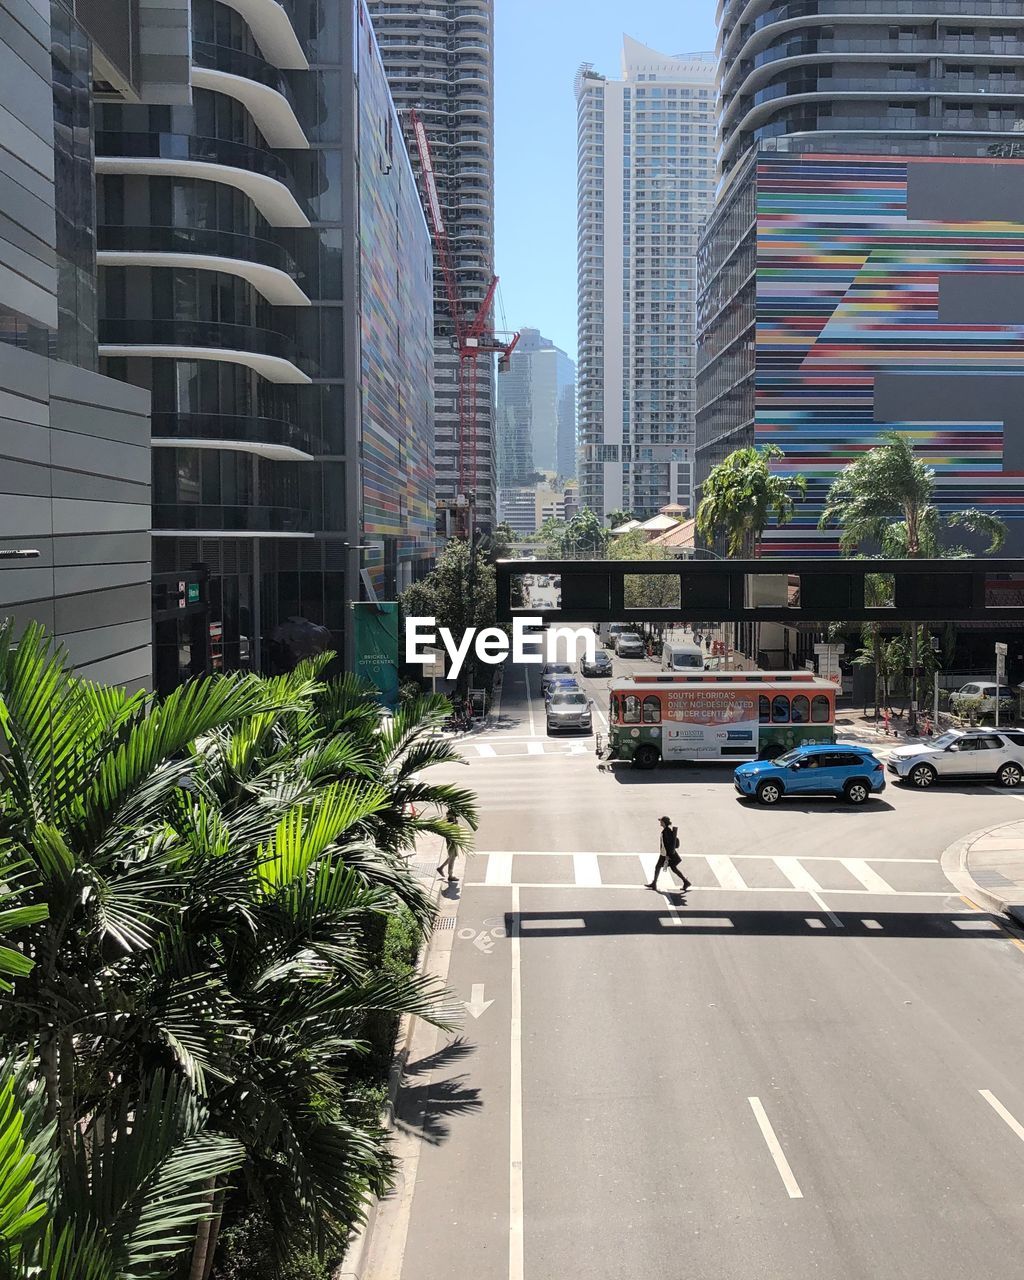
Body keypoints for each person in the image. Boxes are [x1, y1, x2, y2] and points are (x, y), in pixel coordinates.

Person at [646, 816, 692, 893]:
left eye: (661, 821)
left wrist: (667, 856)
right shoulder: (666, 830)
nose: (660, 822)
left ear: (664, 822)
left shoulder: (666, 831)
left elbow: (668, 844)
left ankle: (686, 882)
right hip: (664, 853)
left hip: (667, 854)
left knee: (667, 868)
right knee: (668, 868)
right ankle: (654, 883)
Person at [437, 806, 461, 881]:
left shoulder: (453, 820)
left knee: (452, 857)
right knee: (452, 858)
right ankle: (450, 875)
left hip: (454, 841)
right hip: (451, 842)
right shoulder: (449, 822)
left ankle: (441, 868)